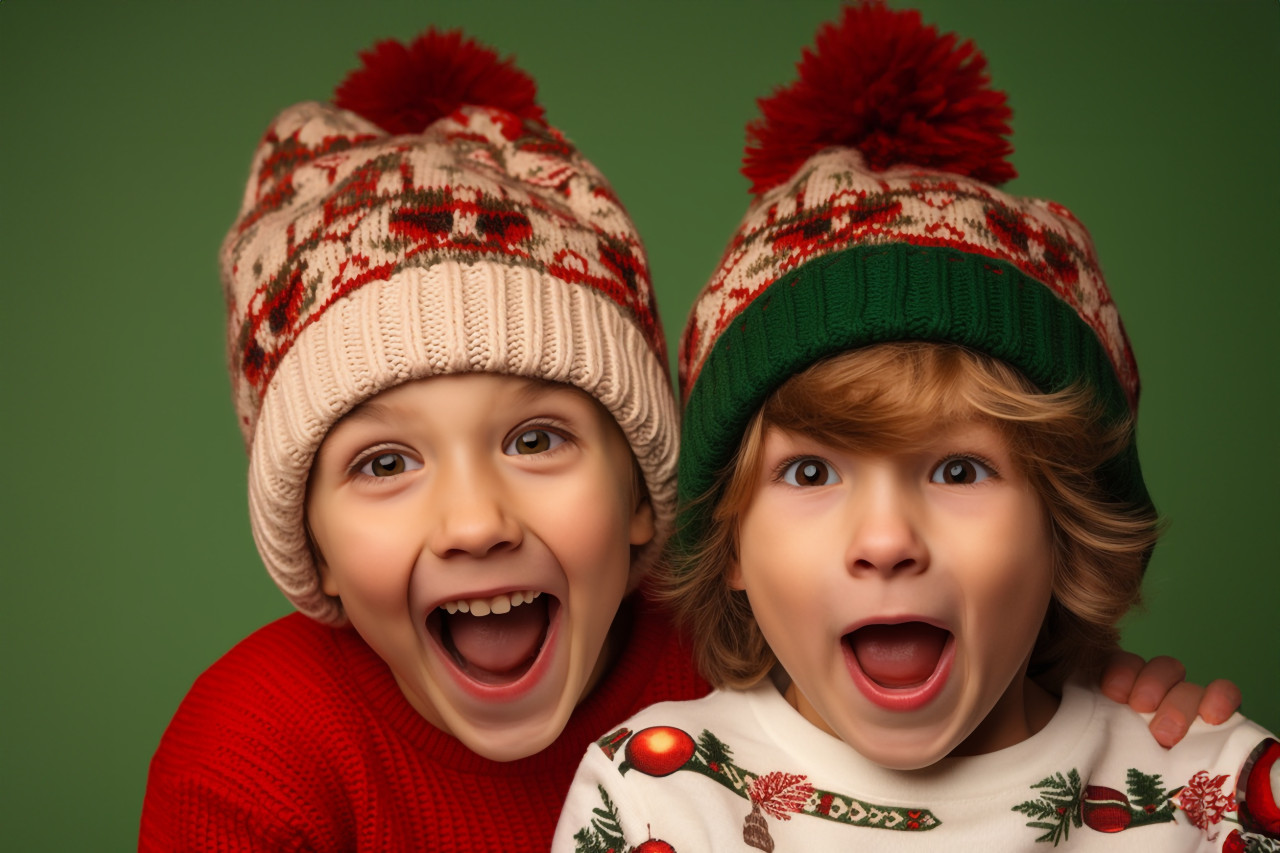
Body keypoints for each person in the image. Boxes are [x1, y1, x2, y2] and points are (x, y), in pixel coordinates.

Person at [140, 22, 1240, 853]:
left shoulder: (744, 646)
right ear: (309, 541)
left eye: (536, 440)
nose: (474, 520)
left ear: (644, 500)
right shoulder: (253, 756)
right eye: (383, 462)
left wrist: (1096, 691)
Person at [553, 4, 1278, 851]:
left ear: (1065, 527)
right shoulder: (657, 792)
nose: (887, 539)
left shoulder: (1219, 799)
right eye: (812, 473)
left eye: (961, 470)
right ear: (733, 545)